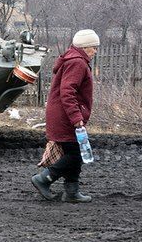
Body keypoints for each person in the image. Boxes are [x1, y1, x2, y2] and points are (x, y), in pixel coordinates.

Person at [31, 29, 99, 203]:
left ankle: (72, 192)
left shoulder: (74, 60)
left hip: (63, 114)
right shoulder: (78, 63)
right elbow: (67, 92)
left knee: (74, 152)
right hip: (66, 117)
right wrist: (76, 117)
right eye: (93, 47)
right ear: (84, 47)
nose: (95, 51)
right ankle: (44, 179)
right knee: (75, 154)